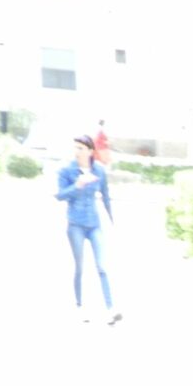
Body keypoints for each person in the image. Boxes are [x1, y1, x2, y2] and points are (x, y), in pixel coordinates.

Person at [55, 134, 119, 324]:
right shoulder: (66, 170)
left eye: (81, 148)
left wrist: (112, 218)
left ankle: (111, 308)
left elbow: (105, 195)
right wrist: (77, 185)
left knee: (102, 266)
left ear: (90, 151)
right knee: (79, 267)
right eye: (75, 147)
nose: (77, 151)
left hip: (94, 224)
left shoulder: (98, 170)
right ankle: (80, 306)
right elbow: (59, 195)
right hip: (75, 224)